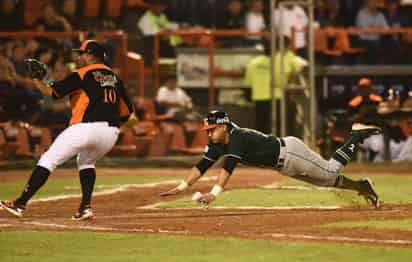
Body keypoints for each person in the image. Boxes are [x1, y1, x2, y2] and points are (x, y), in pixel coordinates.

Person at [0, 40, 133, 220]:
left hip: (85, 128)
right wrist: (112, 127)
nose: (80, 57)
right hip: (110, 134)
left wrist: (40, 78)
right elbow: (127, 111)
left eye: (82, 53)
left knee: (49, 159)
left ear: (90, 55)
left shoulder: (83, 73)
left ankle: (20, 203)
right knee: (86, 161)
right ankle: (85, 208)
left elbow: (54, 92)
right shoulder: (115, 78)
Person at [160, 110, 381, 208]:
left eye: (212, 129)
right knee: (328, 181)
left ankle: (356, 135)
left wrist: (214, 193)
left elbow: (228, 166)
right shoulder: (220, 142)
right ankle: (362, 186)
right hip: (284, 164)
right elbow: (202, 166)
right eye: (207, 130)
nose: (209, 134)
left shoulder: (237, 136)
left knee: (330, 172)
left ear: (224, 126)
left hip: (291, 152)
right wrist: (181, 187)